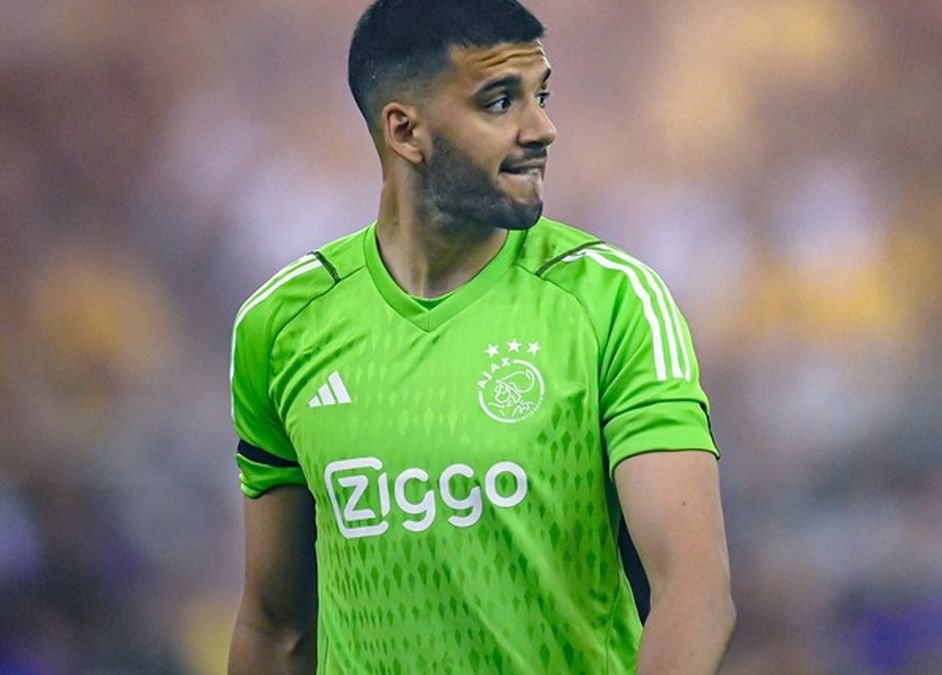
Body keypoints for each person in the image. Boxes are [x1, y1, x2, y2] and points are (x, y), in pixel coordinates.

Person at [226, 0, 735, 672]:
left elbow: (694, 592)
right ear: (406, 131)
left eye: (540, 96)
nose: (543, 128)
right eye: (500, 102)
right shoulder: (283, 325)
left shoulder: (610, 301)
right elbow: (277, 626)